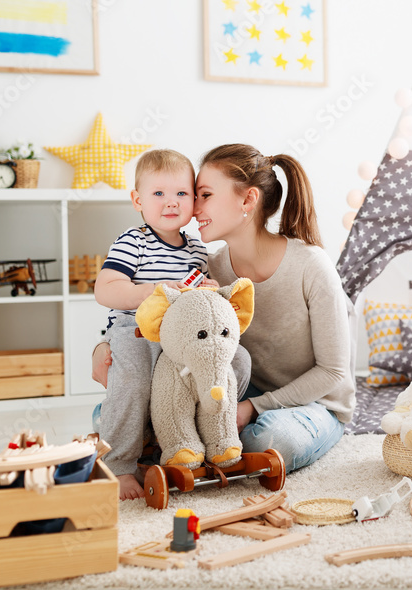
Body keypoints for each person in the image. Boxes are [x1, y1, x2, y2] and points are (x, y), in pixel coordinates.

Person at [94, 144, 356, 477]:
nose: (192, 206)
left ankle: (187, 442)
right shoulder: (209, 270)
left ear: (247, 200)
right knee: (108, 413)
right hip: (239, 388)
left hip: (314, 401)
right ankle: (186, 441)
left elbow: (333, 373)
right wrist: (103, 345)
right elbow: (154, 311)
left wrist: (251, 408)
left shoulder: (310, 265)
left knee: (271, 439)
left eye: (203, 195)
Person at [92, 148, 250, 500]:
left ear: (194, 201)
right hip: (136, 331)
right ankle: (117, 464)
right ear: (138, 200)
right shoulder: (134, 242)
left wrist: (211, 292)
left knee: (234, 362)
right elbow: (105, 289)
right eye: (158, 194)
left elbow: (201, 304)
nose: (170, 202)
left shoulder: (197, 250)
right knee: (134, 381)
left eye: (181, 193)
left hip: (181, 338)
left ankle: (203, 438)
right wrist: (157, 291)